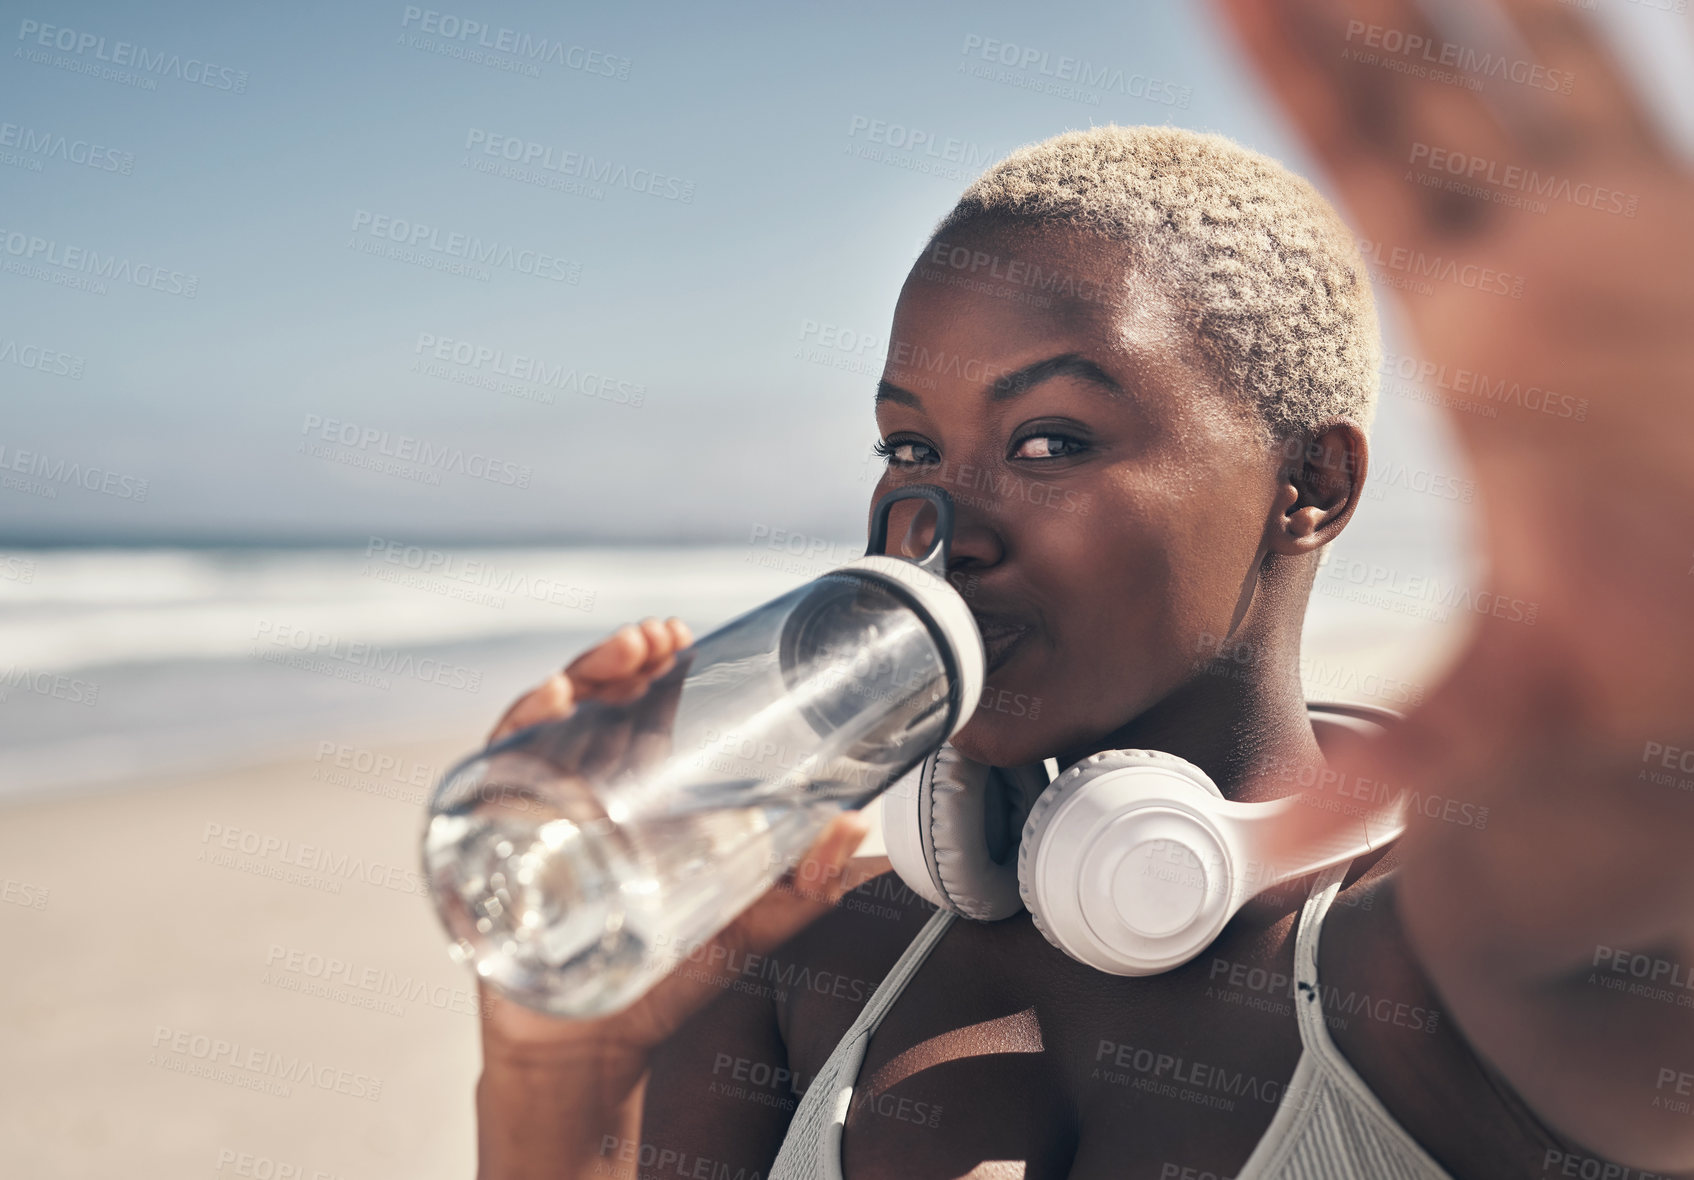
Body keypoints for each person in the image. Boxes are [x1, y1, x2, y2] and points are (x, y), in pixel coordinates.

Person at [472, 3, 1694, 1174]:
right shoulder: (810, 955)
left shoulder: (1463, 965)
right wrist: (553, 1070)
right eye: (908, 448)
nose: (945, 526)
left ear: (1309, 484)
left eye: (1048, 441)